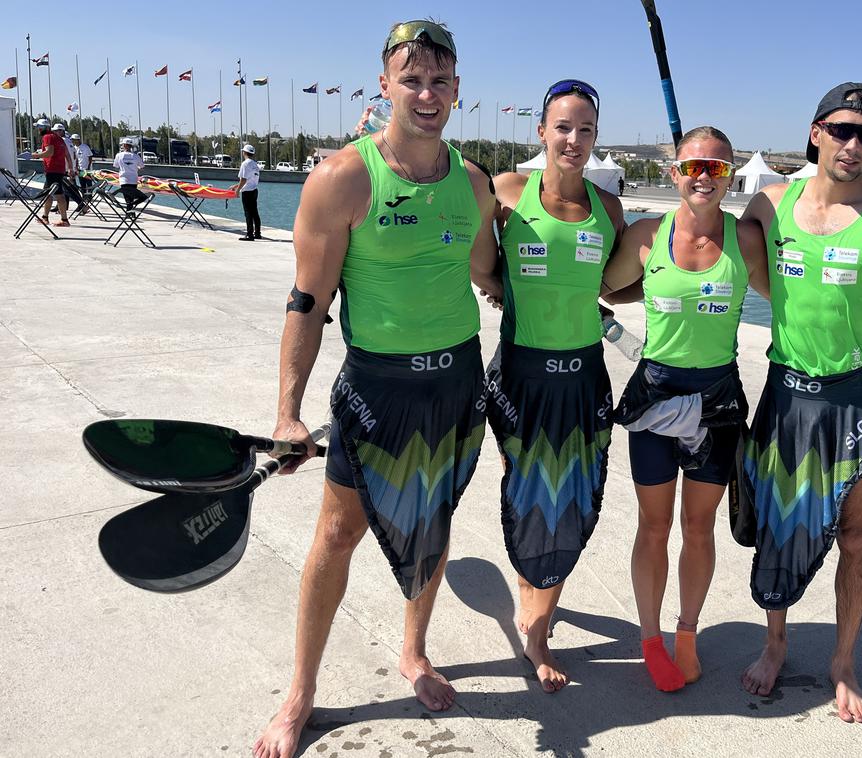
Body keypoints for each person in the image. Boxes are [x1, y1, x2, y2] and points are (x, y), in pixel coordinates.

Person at [254, 20, 497, 758]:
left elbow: (489, 271)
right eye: (412, 79)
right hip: (375, 387)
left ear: (458, 91)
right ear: (385, 86)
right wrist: (288, 412)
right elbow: (308, 302)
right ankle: (300, 694)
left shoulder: (475, 182)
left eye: (440, 81)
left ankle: (414, 651)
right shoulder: (344, 178)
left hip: (456, 381)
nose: (427, 94)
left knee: (435, 517)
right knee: (337, 532)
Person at [738, 82, 862, 723]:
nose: (854, 143)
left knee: (854, 536)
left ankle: (843, 662)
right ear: (816, 132)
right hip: (787, 396)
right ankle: (776, 643)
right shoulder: (768, 206)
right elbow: (742, 267)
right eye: (843, 129)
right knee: (778, 525)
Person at [600, 126, 769, 691]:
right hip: (654, 396)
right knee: (653, 526)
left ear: (730, 176)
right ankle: (650, 636)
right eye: (693, 166)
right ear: (675, 173)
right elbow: (597, 284)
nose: (703, 176)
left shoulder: (745, 241)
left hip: (716, 402)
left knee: (698, 528)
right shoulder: (648, 235)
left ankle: (687, 633)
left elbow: (800, 293)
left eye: (716, 168)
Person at [482, 78, 625, 693]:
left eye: (585, 129)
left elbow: (617, 286)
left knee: (576, 495)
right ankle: (535, 619)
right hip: (521, 372)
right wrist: (493, 286)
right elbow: (477, 262)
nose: (573, 139)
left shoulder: (608, 208)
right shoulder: (508, 193)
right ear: (541, 131)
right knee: (529, 489)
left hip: (585, 374)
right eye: (562, 127)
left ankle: (537, 608)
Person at [28, 118, 69, 227]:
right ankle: (45, 217)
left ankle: (64, 220)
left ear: (43, 128)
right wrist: (71, 168)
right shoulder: (59, 138)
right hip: (59, 169)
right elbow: (66, 154)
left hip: (52, 169)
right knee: (48, 194)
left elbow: (49, 153)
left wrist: (34, 155)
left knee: (59, 194)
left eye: (38, 128)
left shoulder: (47, 137)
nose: (38, 130)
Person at [232, 143, 262, 240]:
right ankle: (257, 233)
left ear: (244, 152)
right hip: (254, 190)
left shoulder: (245, 164)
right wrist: (236, 186)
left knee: (248, 213)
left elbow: (244, 179)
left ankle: (249, 234)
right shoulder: (255, 165)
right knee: (255, 212)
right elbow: (250, 179)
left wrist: (237, 190)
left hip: (247, 192)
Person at [113, 138, 148, 209]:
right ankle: (130, 211)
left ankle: (129, 212)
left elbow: (116, 166)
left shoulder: (119, 155)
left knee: (127, 198)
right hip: (133, 180)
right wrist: (136, 168)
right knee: (132, 198)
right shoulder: (136, 156)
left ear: (124, 145)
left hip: (123, 180)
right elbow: (142, 167)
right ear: (131, 146)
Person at [74, 133, 93, 214]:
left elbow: (90, 157)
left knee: (89, 185)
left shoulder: (85, 147)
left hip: (87, 170)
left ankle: (89, 198)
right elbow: (76, 159)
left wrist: (88, 168)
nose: (73, 141)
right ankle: (83, 199)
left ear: (78, 140)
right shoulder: (75, 148)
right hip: (80, 170)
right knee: (82, 186)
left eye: (74, 140)